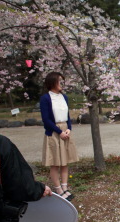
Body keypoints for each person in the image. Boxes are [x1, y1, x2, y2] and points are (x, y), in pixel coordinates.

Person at [40, 72, 78, 201]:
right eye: (60, 81)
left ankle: (65, 187)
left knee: (65, 162)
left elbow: (67, 116)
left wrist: (68, 129)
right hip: (54, 132)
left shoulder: (64, 97)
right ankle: (58, 189)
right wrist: (59, 131)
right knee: (55, 163)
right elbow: (46, 119)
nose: (62, 84)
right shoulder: (46, 98)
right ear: (52, 82)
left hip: (64, 131)